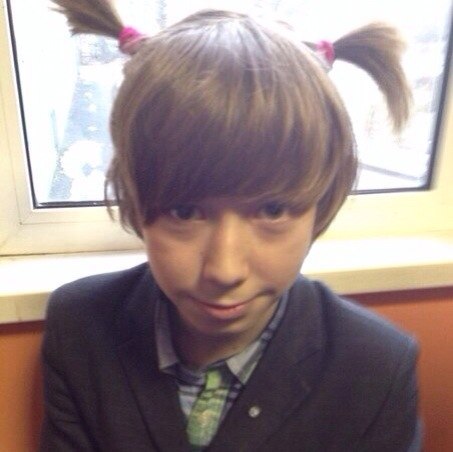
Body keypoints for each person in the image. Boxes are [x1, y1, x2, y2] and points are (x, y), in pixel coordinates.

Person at [41, 1, 420, 451]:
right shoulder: (80, 328)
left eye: (273, 210)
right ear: (136, 200)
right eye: (185, 211)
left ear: (321, 205)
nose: (224, 270)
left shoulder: (376, 369)